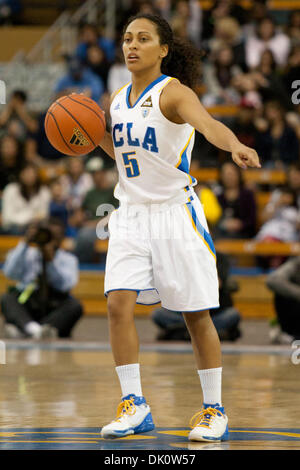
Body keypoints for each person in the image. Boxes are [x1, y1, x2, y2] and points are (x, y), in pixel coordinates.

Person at [97, 13, 260, 442]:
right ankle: (134, 404)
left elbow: (208, 125)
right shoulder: (116, 99)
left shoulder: (173, 93)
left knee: (194, 315)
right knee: (116, 305)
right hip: (130, 213)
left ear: (163, 49)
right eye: (127, 39)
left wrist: (235, 145)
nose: (132, 46)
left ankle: (214, 410)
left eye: (143, 39)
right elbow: (124, 154)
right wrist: (89, 135)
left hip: (174, 213)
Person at [1, 218, 83, 339]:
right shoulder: (28, 254)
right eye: (49, 234)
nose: (52, 239)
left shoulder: (69, 259)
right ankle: (36, 330)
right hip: (28, 299)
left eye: (56, 236)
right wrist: (25, 242)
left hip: (54, 303)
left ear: (62, 238)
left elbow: (65, 286)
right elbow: (9, 272)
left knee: (75, 306)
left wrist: (51, 262)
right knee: (7, 298)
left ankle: (25, 329)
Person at [152, 252, 241, 341]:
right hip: (184, 312)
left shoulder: (220, 258)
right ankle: (206, 331)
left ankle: (183, 331)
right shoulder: (182, 258)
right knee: (158, 314)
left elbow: (218, 283)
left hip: (213, 313)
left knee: (232, 314)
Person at [1, 163, 51, 234]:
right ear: (21, 174)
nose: (30, 176)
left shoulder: (44, 191)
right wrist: (31, 216)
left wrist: (31, 219)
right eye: (27, 173)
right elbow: (7, 217)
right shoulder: (10, 189)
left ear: (36, 175)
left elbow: (45, 215)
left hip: (36, 228)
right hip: (12, 229)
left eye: (32, 173)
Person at [214, 161, 257, 239]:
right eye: (226, 174)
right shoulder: (217, 196)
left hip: (244, 235)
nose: (229, 177)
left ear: (238, 174)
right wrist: (223, 224)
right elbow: (214, 220)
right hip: (222, 235)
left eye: (231, 174)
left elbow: (252, 219)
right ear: (221, 176)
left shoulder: (247, 195)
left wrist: (240, 224)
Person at [266, 256, 300, 342]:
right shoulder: (295, 264)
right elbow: (272, 280)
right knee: (281, 293)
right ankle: (288, 332)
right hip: (294, 310)